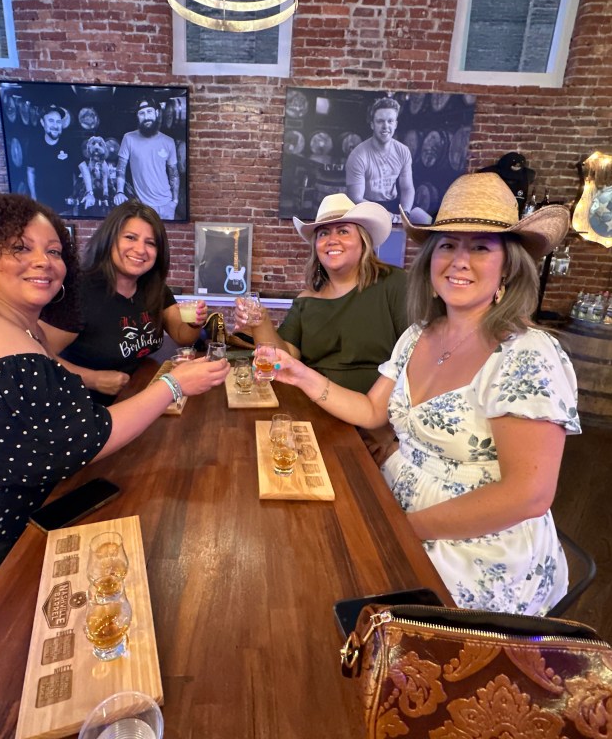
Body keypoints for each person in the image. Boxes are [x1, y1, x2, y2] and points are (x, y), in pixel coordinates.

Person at [0, 193, 228, 687]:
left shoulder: (9, 329)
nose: (42, 262)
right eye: (20, 247)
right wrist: (174, 384)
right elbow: (88, 438)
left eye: (53, 251)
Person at [272, 173, 580, 615]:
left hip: (476, 548)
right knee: (306, 567)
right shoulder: (418, 334)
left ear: (508, 264)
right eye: (447, 244)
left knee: (329, 603)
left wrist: (400, 528)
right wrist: (299, 374)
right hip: (394, 504)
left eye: (480, 246)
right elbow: (371, 411)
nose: (459, 260)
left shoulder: (528, 352)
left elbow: (528, 495)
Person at [234, 192, 408, 462]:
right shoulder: (307, 300)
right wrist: (261, 322)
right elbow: (284, 358)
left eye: (343, 231)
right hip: (315, 420)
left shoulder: (394, 284)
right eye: (323, 233)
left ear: (363, 240)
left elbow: (418, 362)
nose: (331, 240)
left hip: (376, 427)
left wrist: (393, 430)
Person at [41, 200, 207, 405]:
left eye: (151, 243)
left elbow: (183, 336)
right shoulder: (80, 291)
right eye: (130, 237)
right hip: (85, 408)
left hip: (134, 397)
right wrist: (93, 379)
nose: (140, 249)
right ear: (109, 239)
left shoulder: (153, 287)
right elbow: (35, 354)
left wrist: (194, 322)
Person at [345, 97, 431, 225]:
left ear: (395, 124)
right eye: (380, 121)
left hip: (393, 204)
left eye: (390, 121)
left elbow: (407, 188)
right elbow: (355, 198)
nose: (386, 126)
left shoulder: (403, 151)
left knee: (426, 219)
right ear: (372, 125)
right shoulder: (358, 155)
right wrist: (387, 216)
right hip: (367, 207)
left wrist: (405, 213)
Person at [113, 97, 180, 220]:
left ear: (156, 113)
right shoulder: (129, 138)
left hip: (166, 205)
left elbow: (173, 173)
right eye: (142, 113)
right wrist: (120, 191)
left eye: (149, 111)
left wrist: (174, 201)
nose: (146, 116)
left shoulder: (168, 142)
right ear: (138, 117)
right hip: (143, 207)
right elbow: (121, 167)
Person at [26, 104, 76, 212]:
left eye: (58, 122)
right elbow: (30, 171)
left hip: (66, 207)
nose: (55, 125)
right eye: (51, 121)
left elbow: (78, 172)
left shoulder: (69, 144)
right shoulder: (34, 144)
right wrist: (33, 197)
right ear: (42, 123)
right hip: (43, 206)